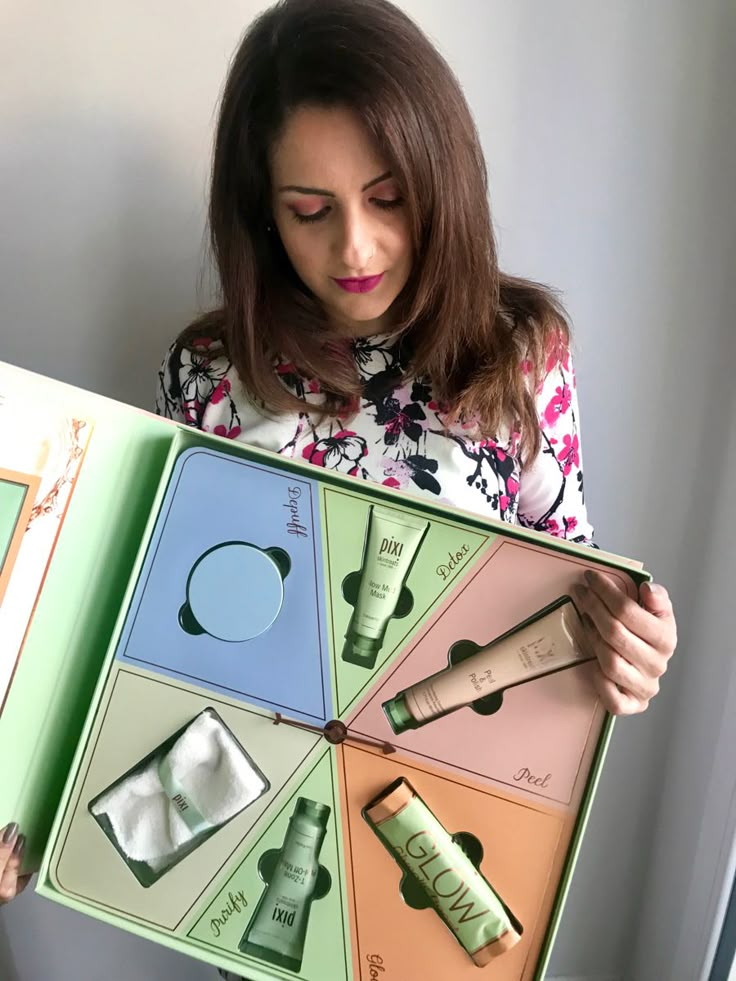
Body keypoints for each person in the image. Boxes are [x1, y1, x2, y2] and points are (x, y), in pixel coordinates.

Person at [2, 0, 679, 956]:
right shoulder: (208, 371)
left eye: (388, 196)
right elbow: (135, 629)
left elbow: (563, 597)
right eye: (309, 211)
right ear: (262, 212)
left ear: (441, 180)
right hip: (262, 821)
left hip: (450, 843)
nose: (353, 248)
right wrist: (35, 809)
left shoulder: (521, 354)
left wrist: (628, 648)